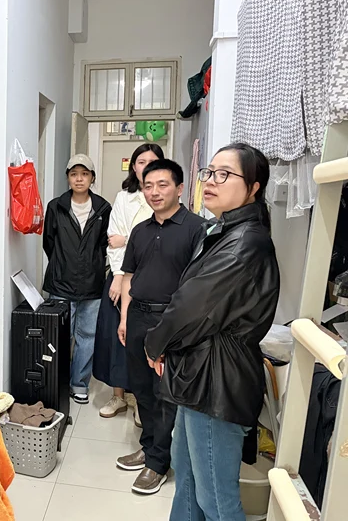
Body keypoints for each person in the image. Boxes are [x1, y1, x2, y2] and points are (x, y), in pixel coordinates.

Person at [145, 144, 279, 520]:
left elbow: (192, 305)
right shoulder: (225, 231)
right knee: (187, 481)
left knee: (217, 500)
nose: (211, 181)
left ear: (253, 187)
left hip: (217, 380)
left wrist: (155, 343)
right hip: (199, 374)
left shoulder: (246, 241)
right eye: (209, 172)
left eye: (225, 174)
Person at [116, 159, 204, 495]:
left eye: (162, 185)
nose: (154, 192)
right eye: (148, 186)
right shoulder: (140, 230)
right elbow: (129, 277)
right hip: (138, 316)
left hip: (170, 322)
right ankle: (149, 446)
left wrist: (176, 331)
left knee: (163, 393)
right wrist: (125, 318)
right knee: (141, 389)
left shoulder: (196, 229)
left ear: (180, 188)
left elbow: (196, 289)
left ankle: (158, 463)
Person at [94, 143, 164, 423]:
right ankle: (118, 396)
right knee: (115, 338)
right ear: (133, 167)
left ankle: (139, 400)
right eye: (141, 161)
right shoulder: (124, 198)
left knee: (141, 340)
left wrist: (128, 240)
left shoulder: (162, 198)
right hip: (119, 276)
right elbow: (114, 240)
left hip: (150, 281)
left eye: (152, 161)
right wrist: (118, 276)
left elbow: (153, 241)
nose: (146, 166)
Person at [43, 154, 111, 404]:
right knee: (59, 336)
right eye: (74, 174)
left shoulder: (103, 208)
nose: (79, 179)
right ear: (68, 178)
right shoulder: (56, 207)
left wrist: (92, 265)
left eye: (84, 174)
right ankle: (57, 383)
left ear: (92, 178)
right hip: (61, 283)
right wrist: (63, 264)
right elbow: (49, 243)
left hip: (92, 285)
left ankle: (78, 383)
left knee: (87, 337)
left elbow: (104, 245)